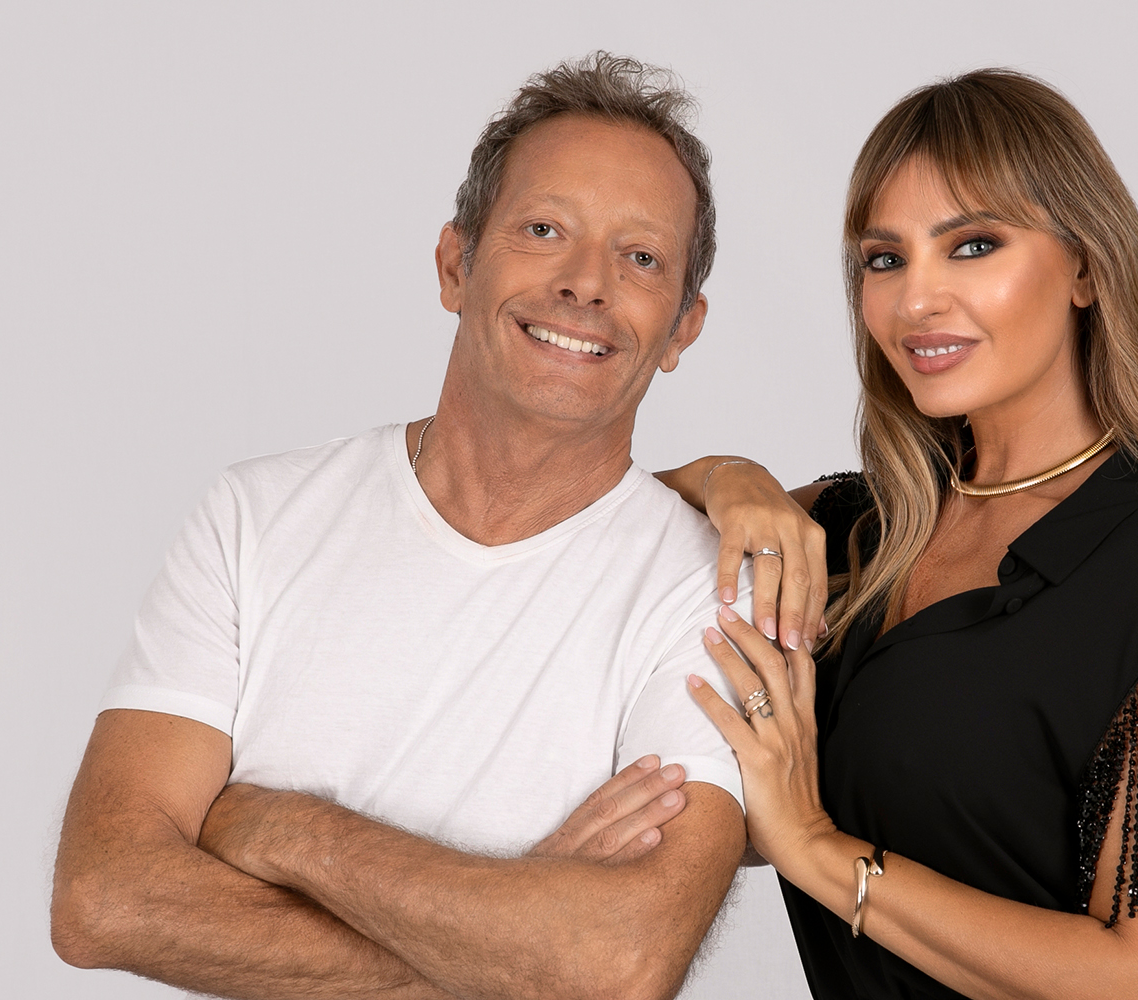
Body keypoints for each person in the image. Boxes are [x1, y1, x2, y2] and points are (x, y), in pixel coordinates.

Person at [50, 53, 756, 1000]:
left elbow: (616, 964)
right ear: (456, 266)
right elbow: (103, 899)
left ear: (682, 328)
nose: (587, 283)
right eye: (543, 230)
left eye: (641, 258)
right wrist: (515, 936)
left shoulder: (714, 594)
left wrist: (286, 829)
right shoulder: (254, 517)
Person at [657, 70, 1138, 999]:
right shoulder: (859, 530)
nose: (916, 301)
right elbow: (590, 527)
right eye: (885, 259)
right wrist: (726, 477)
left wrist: (816, 848)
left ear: (1085, 266)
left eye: (973, 246)